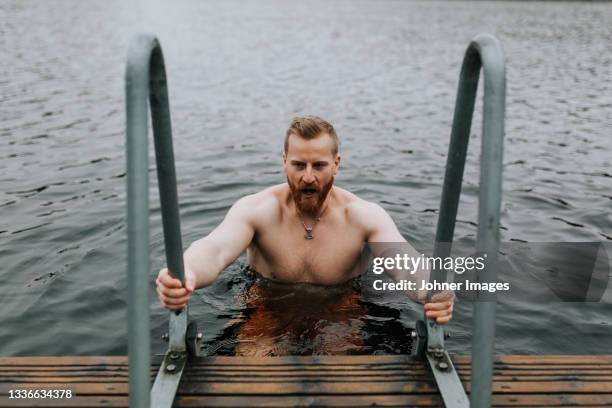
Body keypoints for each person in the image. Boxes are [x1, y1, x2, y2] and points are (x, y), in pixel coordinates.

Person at [156, 116, 454, 335]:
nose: (308, 177)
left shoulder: (363, 216)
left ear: (336, 163)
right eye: (299, 165)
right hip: (266, 306)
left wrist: (433, 289)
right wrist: (183, 272)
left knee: (344, 376)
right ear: (284, 162)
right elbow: (215, 248)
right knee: (254, 373)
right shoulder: (257, 210)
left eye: (319, 166)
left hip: (342, 310)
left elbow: (404, 263)